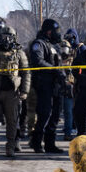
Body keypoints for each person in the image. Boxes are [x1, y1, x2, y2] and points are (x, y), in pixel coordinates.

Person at [0, 26, 30, 158]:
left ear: (14, 38)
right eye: (4, 36)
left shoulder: (19, 53)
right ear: (0, 37)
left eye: (9, 37)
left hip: (12, 94)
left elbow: (26, 73)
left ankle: (10, 147)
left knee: (12, 122)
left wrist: (24, 91)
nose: (6, 39)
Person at [27, 18, 64, 154]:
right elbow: (38, 61)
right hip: (44, 85)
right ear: (49, 32)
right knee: (45, 114)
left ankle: (50, 144)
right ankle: (36, 142)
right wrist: (54, 70)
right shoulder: (39, 44)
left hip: (56, 85)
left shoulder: (54, 45)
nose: (57, 33)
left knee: (55, 115)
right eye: (55, 31)